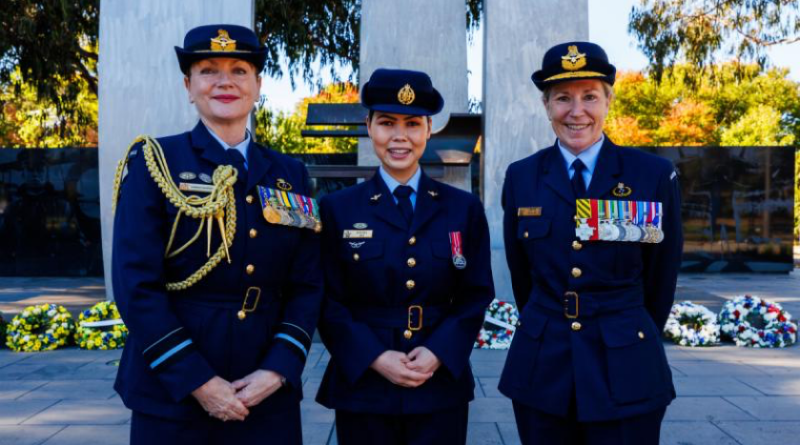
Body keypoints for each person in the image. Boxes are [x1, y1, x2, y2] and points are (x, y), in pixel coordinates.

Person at [111, 24, 323, 445]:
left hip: (265, 387)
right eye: (208, 70)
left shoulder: (290, 174)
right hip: (173, 385)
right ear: (189, 86)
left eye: (239, 70)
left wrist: (278, 369)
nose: (225, 81)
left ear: (257, 85)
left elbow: (308, 284)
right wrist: (198, 381)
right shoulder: (155, 162)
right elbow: (136, 285)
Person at [498, 42, 683, 445]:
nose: (576, 111)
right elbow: (521, 274)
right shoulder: (522, 177)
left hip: (625, 360)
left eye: (589, 97)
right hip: (544, 361)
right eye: (563, 98)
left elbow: (661, 273)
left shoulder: (651, 173)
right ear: (546, 106)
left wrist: (630, 331)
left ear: (608, 102)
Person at [315, 68, 495, 445]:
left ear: (428, 129)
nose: (399, 136)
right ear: (369, 126)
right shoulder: (337, 209)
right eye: (386, 123)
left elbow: (475, 294)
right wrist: (375, 356)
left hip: (438, 381)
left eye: (412, 123)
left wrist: (439, 351)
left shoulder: (462, 209)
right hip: (365, 383)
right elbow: (326, 298)